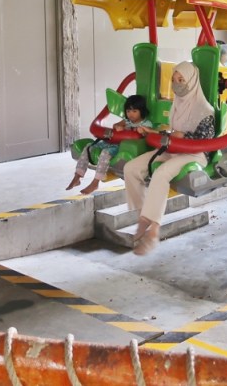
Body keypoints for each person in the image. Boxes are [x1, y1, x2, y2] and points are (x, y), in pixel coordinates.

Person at [124, 61, 215, 255]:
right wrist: (155, 131)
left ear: (191, 81)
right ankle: (142, 216)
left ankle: (154, 229)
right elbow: (173, 132)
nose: (177, 84)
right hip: (173, 148)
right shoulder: (176, 104)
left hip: (194, 154)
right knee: (130, 168)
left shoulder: (205, 110)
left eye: (181, 80)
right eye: (174, 80)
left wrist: (184, 136)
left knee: (161, 172)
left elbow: (205, 141)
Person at [67, 95, 153, 195]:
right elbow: (115, 125)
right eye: (128, 111)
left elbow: (147, 135)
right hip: (112, 142)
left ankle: (95, 182)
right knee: (88, 147)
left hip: (121, 147)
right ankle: (77, 176)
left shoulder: (146, 123)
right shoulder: (126, 121)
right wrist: (119, 127)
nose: (131, 114)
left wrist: (142, 132)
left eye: (134, 111)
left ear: (141, 111)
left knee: (105, 153)